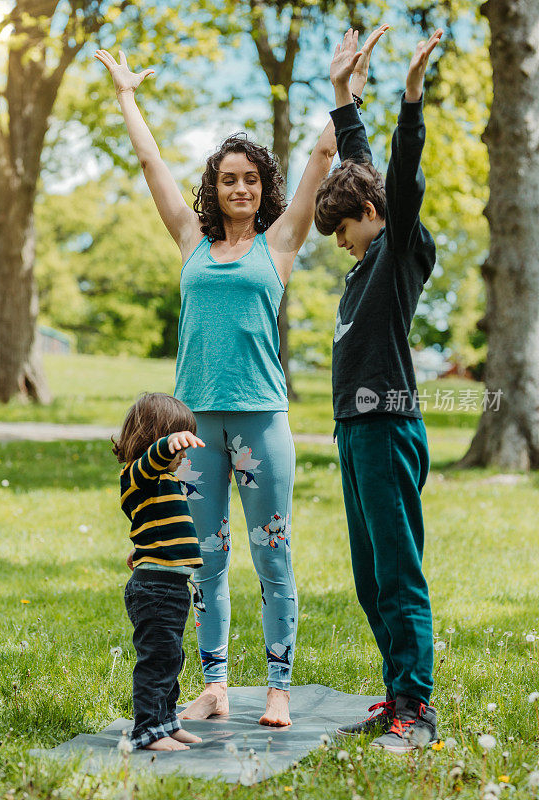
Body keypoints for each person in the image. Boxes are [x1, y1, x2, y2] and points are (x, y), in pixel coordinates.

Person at [96, 25, 387, 727]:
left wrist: (343, 89)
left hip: (262, 418)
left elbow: (324, 152)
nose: (239, 188)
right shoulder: (190, 242)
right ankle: (217, 684)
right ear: (215, 186)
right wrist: (128, 98)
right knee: (206, 561)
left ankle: (280, 686)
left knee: (273, 556)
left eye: (250, 179)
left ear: (264, 189)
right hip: (193, 428)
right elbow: (148, 162)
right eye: (228, 178)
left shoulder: (279, 242)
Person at [313, 28, 444, 752]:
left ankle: (417, 708)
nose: (338, 239)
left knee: (397, 572)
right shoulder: (367, 253)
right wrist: (341, 100)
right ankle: (397, 693)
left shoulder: (396, 251)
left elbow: (398, 172)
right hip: (353, 429)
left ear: (375, 217)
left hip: (387, 424)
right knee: (370, 577)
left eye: (343, 228)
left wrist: (410, 96)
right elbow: (361, 170)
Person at [113, 392, 205, 751]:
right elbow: (151, 461)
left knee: (171, 657)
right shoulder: (138, 474)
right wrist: (167, 445)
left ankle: (166, 721)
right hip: (156, 589)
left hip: (170, 585)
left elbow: (153, 520)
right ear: (157, 437)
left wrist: (143, 544)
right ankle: (146, 730)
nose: (183, 454)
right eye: (180, 444)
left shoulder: (163, 482)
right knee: (157, 660)